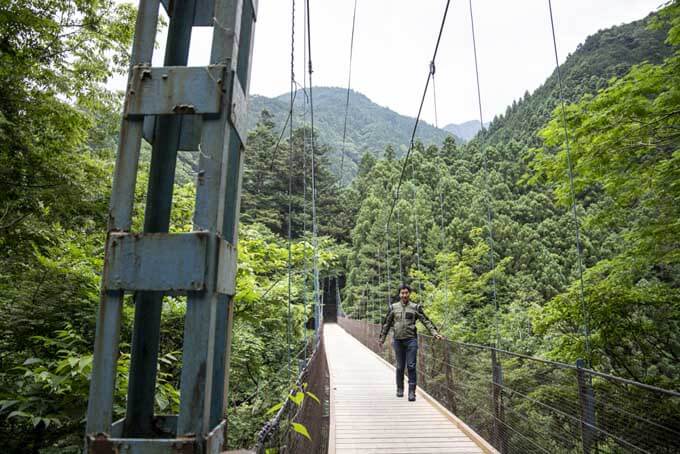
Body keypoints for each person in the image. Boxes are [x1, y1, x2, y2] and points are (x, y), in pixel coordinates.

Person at [379, 284, 443, 401]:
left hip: (411, 340)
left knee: (411, 366)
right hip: (398, 340)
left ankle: (412, 392)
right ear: (399, 294)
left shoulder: (415, 307)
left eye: (406, 293)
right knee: (399, 367)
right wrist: (382, 338)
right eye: (402, 293)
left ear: (409, 294)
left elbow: (426, 321)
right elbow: (386, 323)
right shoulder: (393, 307)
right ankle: (400, 389)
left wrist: (434, 333)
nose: (404, 295)